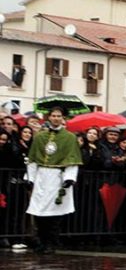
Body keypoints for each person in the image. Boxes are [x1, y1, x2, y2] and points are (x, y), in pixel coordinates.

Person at [24, 107, 83, 254]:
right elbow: (32, 160)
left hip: (58, 177)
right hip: (42, 177)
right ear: (49, 117)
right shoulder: (39, 137)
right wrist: (29, 178)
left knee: (55, 212)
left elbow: (72, 160)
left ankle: (51, 243)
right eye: (53, 115)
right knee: (38, 211)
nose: (56, 118)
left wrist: (70, 178)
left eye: (59, 116)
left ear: (63, 118)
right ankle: (41, 241)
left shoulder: (70, 138)